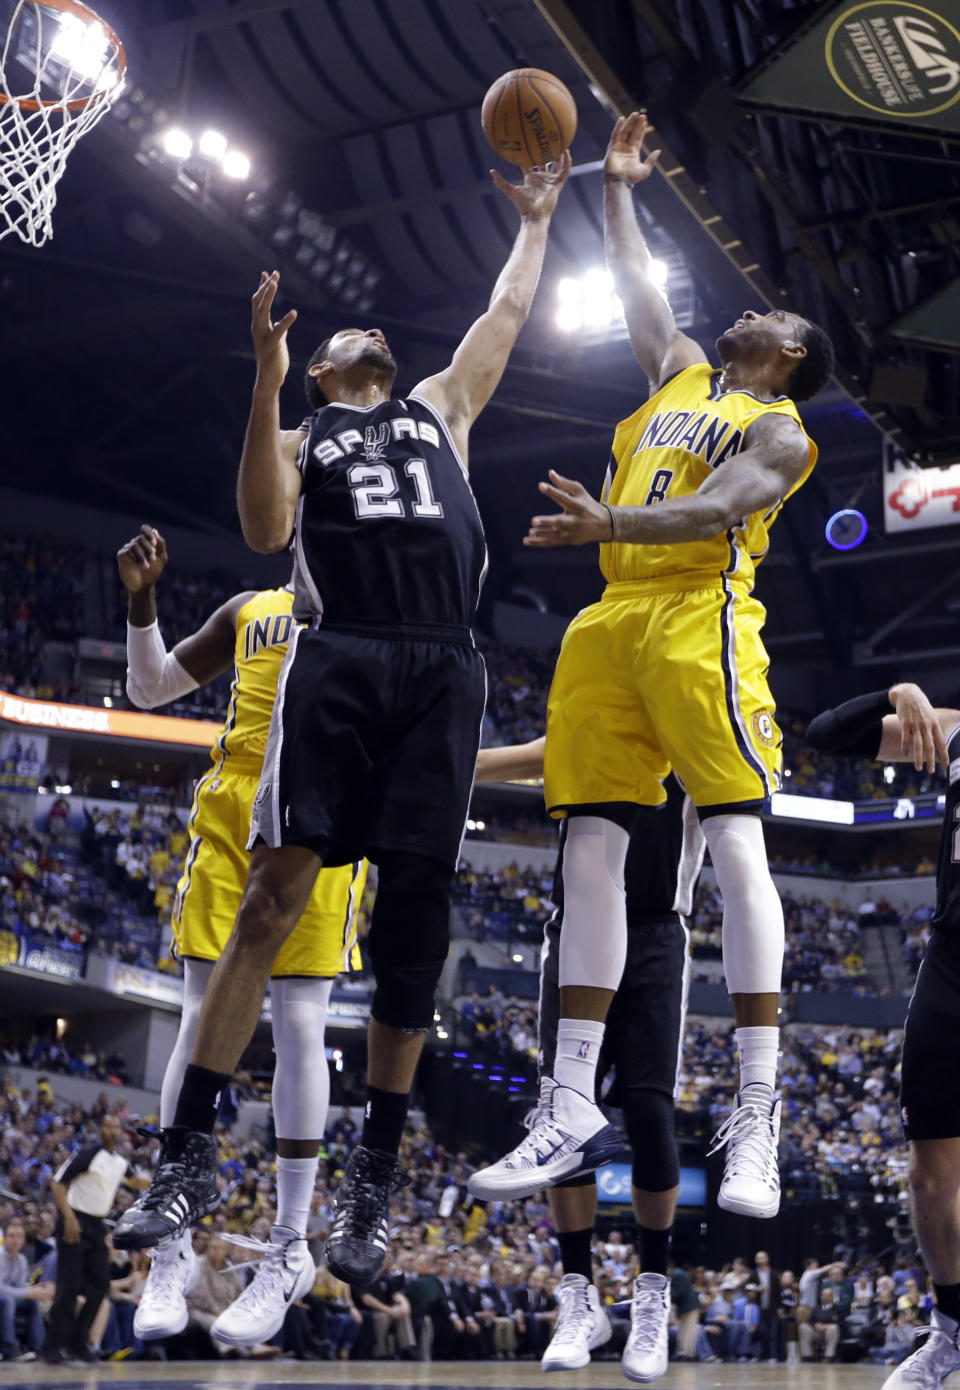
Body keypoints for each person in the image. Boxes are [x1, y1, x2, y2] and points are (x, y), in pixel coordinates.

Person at [115, 154, 571, 1288]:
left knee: (414, 918)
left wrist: (538, 221)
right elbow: (266, 533)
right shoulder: (300, 431)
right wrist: (264, 377)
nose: (367, 338)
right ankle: (185, 1160)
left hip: (442, 666)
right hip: (342, 657)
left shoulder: (442, 407)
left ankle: (374, 1171)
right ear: (323, 367)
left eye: (373, 337)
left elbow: (505, 314)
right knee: (271, 898)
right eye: (338, 344)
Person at [473, 110, 834, 1222]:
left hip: (698, 620)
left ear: (793, 357)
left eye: (774, 313)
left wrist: (615, 518)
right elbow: (641, 293)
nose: (751, 306)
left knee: (731, 840)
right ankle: (568, 1093)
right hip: (610, 622)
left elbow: (723, 508)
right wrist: (619, 191)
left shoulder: (780, 432)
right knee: (586, 841)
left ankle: (758, 1109)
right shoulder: (680, 375)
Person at [114, 526, 366, 1346]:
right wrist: (142, 600)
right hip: (233, 812)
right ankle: (172, 1246)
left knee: (300, 1026)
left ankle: (291, 1247)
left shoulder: (371, 611)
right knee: (197, 1016)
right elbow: (148, 689)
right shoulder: (249, 608)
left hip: (325, 809)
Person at [472, 739, 704, 1383]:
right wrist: (432, 760)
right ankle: (579, 1295)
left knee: (652, 1114)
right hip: (575, 925)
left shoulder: (692, 719)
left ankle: (652, 1293)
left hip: (658, 930)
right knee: (564, 1110)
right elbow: (516, 758)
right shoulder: (597, 714)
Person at [804, 680, 960, 1389]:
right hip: (953, 959)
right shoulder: (953, 732)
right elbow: (827, 735)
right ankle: (952, 1332)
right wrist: (899, 694)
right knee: (931, 1175)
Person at [44, 1114, 145, 1364]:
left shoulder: (120, 1162)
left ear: (121, 1132)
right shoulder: (87, 1154)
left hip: (97, 1225)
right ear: (101, 1130)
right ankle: (52, 1347)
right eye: (108, 1126)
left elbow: (134, 1180)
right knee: (68, 1287)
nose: (113, 1130)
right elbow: (57, 1185)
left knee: (100, 1285)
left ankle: (78, 1342)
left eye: (116, 1127)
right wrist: (68, 1218)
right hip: (74, 1220)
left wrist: (164, 1178)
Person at [0, 1218, 52, 1362]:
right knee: (8, 1301)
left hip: (8, 1299)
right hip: (4, 1299)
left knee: (32, 1303)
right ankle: (10, 1350)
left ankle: (38, 1348)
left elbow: (20, 1287)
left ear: (23, 1240)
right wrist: (27, 1292)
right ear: (4, 1238)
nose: (15, 1240)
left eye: (19, 1236)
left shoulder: (21, 1260)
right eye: (11, 1236)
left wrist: (36, 1290)